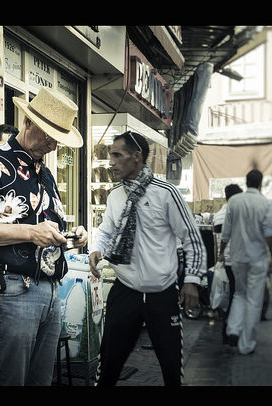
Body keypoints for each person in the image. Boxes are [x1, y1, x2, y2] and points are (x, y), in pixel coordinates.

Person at [0, 87, 88, 386]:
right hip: (13, 289)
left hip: (50, 290)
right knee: (11, 380)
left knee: (41, 381)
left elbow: (46, 228)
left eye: (57, 139)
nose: (53, 145)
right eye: (48, 136)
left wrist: (72, 236)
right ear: (28, 123)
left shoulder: (45, 173)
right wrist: (30, 232)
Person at [88, 131, 206, 386]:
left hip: (162, 293)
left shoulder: (166, 193)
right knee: (108, 365)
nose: (111, 162)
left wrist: (192, 280)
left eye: (117, 155)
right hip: (125, 289)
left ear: (136, 156)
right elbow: (106, 230)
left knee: (171, 369)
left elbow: (192, 238)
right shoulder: (115, 195)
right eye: (110, 156)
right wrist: (96, 248)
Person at [218, 169, 272, 355]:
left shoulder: (234, 201)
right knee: (254, 300)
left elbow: (225, 233)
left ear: (246, 181)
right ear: (260, 183)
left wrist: (221, 252)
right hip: (257, 258)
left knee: (239, 294)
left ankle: (233, 330)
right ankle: (246, 344)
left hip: (237, 257)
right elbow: (270, 234)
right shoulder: (265, 203)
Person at [213, 183, 243, 344]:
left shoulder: (218, 215)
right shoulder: (237, 213)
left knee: (227, 294)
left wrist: (218, 257)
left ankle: (227, 329)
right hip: (235, 260)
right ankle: (231, 331)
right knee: (236, 295)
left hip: (223, 259)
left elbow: (216, 242)